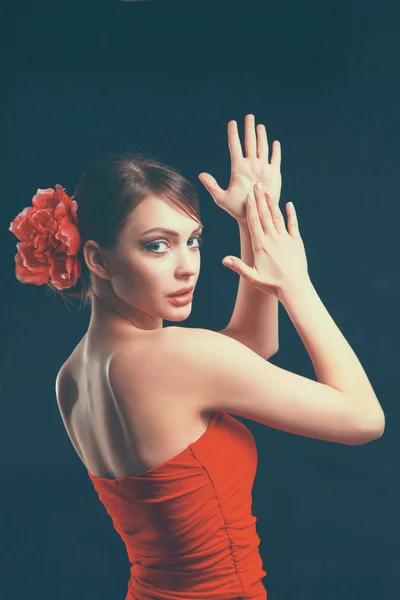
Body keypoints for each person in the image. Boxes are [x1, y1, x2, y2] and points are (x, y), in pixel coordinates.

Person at [9, 143, 384, 600]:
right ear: (97, 259)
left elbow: (253, 346)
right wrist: (296, 284)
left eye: (194, 240)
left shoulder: (71, 377)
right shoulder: (176, 358)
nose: (187, 267)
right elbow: (365, 418)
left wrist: (251, 220)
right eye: (158, 246)